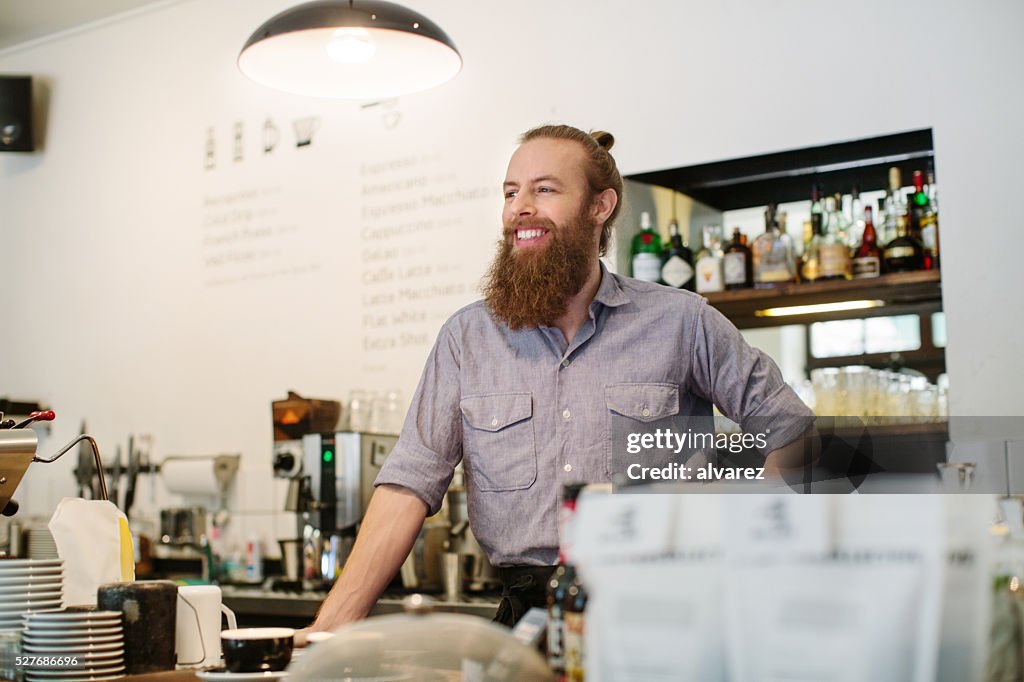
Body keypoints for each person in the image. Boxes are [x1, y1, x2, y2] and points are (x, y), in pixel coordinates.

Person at [300, 124, 815, 637]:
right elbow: (408, 485)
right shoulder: (467, 338)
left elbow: (797, 432)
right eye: (510, 192)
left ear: (600, 206)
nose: (520, 207)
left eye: (544, 189)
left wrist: (745, 543)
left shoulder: (682, 322)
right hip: (527, 624)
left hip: (665, 617)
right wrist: (324, 633)